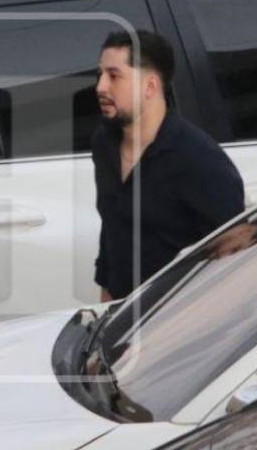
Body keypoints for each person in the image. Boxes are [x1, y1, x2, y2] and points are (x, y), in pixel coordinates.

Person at [92, 31, 244, 301]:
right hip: (123, 315)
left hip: (179, 316)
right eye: (100, 74)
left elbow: (233, 264)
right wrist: (106, 304)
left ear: (150, 87)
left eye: (114, 76)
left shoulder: (199, 159)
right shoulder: (104, 143)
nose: (101, 86)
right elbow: (112, 232)